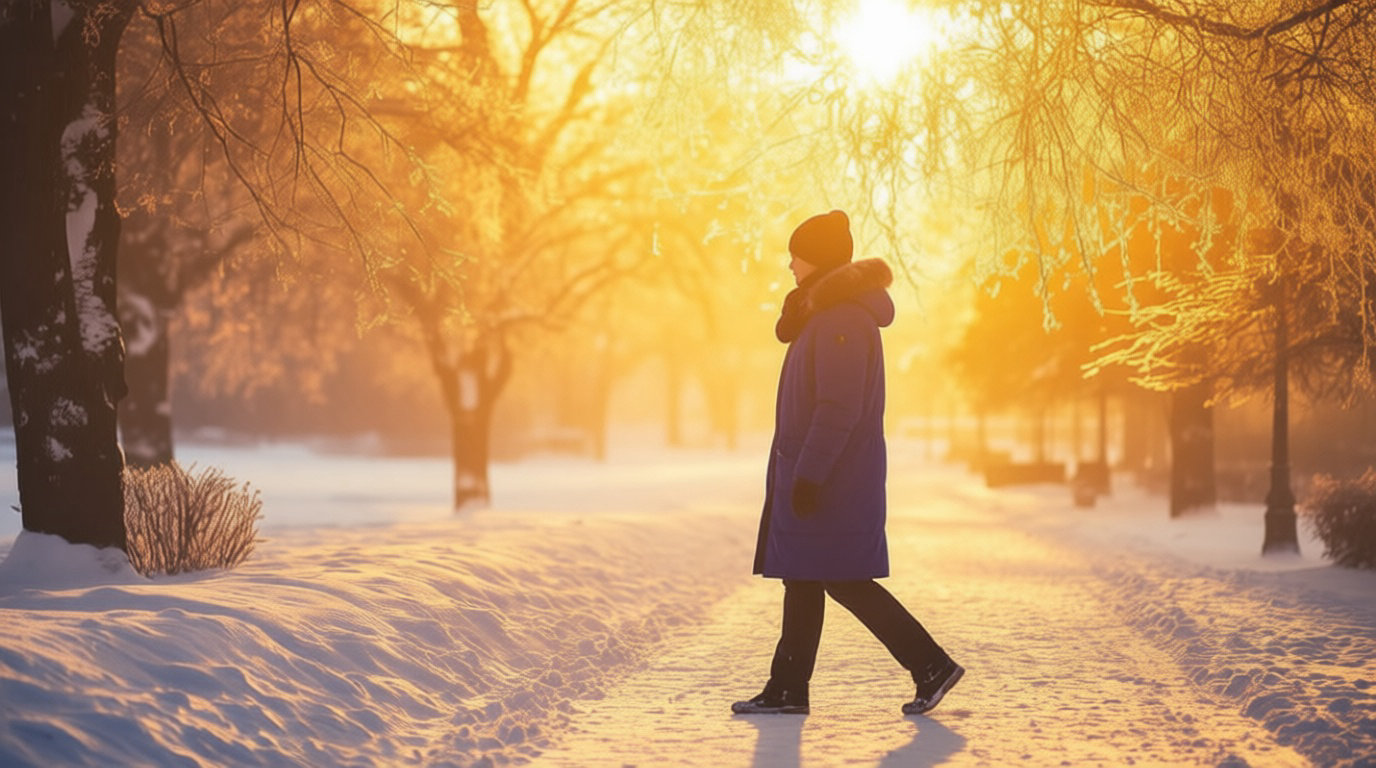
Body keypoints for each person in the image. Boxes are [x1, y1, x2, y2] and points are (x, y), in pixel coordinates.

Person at [732, 209, 963, 717]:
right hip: (819, 473)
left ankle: (930, 664)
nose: (790, 264)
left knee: (842, 578)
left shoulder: (842, 320)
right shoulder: (825, 316)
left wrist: (810, 475)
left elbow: (838, 407)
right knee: (804, 576)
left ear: (818, 259)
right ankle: (787, 688)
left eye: (797, 255)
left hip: (833, 478)